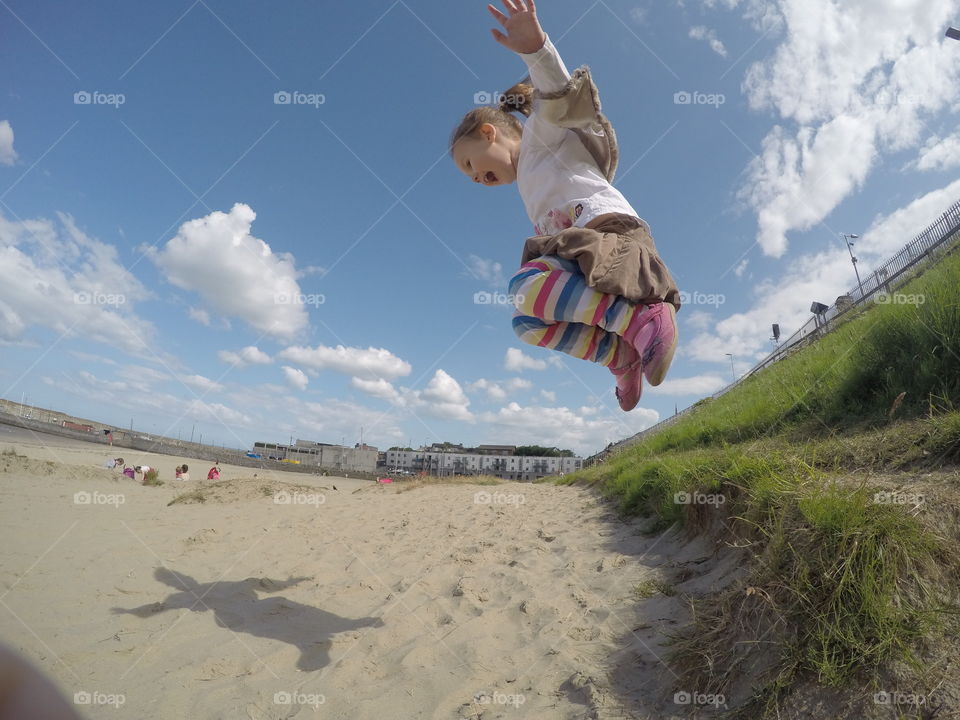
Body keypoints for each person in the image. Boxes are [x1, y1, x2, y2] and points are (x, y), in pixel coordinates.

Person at [449, 0, 681, 411]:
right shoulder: (527, 183)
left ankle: (643, 318)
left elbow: (556, 94)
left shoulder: (543, 135)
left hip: (609, 233)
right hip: (576, 249)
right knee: (527, 321)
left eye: (472, 164)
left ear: (490, 133)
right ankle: (620, 355)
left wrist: (535, 48)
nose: (475, 178)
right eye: (470, 178)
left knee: (524, 286)